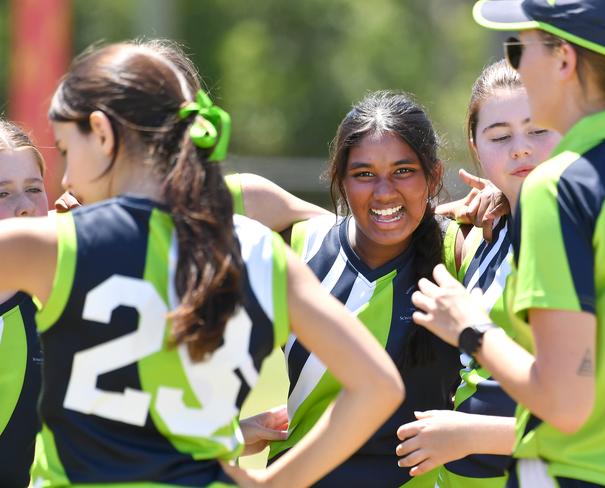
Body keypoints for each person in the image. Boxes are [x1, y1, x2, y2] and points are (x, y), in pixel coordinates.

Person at [0, 40, 404, 487]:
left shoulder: (54, 245)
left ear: (102, 133)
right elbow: (379, 385)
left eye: (67, 148)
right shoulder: (261, 252)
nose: (68, 178)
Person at [411, 1, 605, 486]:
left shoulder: (559, 189)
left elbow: (564, 402)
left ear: (563, 60)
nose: (515, 63)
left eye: (520, 47)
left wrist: (470, 328)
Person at [226, 90, 464, 487]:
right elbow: (160, 206)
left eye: (403, 171)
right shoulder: (299, 245)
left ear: (434, 176)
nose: (384, 192)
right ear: (340, 178)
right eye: (364, 174)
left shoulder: (461, 250)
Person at [395, 60, 560, 487]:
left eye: (538, 129)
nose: (520, 148)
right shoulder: (485, 234)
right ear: (475, 147)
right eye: (500, 136)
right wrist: (461, 209)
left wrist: (470, 434)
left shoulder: (589, 236)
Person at [0, 120, 49, 487]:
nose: (24, 208)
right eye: (2, 194)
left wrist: (234, 435)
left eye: (34, 189)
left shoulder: (61, 304)